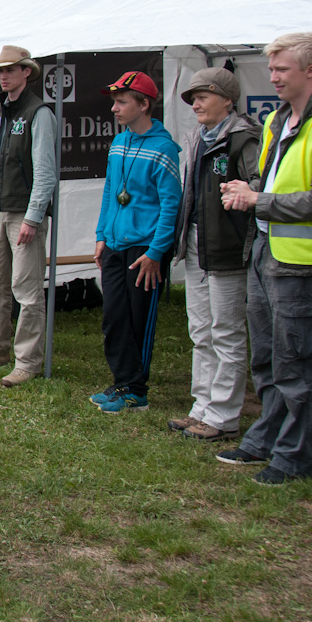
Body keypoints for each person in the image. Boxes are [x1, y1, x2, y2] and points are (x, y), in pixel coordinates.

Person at [219, 32, 312, 486]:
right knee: (265, 355)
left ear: (311, 71)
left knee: (297, 360)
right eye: (271, 69)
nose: (273, 77)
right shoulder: (275, 121)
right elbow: (271, 180)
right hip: (265, 249)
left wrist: (256, 200)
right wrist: (247, 194)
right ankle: (266, 436)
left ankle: (294, 456)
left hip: (302, 261)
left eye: (282, 70)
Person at [168, 69, 259, 441]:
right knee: (200, 330)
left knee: (226, 331)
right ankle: (202, 406)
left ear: (227, 98)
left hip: (226, 247)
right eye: (192, 98)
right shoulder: (194, 138)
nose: (196, 104)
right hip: (194, 244)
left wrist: (244, 193)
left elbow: (261, 186)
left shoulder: (242, 138)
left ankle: (223, 415)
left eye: (203, 96)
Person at [0, 46, 58, 388]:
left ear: (26, 72)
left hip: (24, 214)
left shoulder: (39, 113)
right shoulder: (0, 111)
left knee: (27, 289)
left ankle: (28, 361)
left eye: (10, 70)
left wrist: (33, 218)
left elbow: (46, 172)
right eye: (0, 70)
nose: (3, 75)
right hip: (1, 210)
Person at [90, 71, 182, 413]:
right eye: (114, 102)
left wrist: (157, 253)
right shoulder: (119, 143)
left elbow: (172, 205)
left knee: (137, 319)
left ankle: (136, 391)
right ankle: (121, 382)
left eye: (122, 102)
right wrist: (102, 235)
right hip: (115, 243)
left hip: (145, 249)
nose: (115, 108)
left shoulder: (163, 149)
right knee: (114, 317)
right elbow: (111, 194)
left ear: (144, 105)